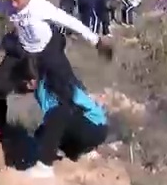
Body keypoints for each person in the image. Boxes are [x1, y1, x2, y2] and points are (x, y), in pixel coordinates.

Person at [0, 0, 113, 138]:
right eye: (10, 0)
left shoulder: (40, 7)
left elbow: (70, 22)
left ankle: (88, 124)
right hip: (24, 51)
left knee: (66, 89)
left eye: (17, 1)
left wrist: (96, 40)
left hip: (48, 51)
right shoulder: (8, 5)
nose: (13, 5)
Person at [20, 48, 109, 178]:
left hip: (94, 126)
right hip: (80, 126)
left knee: (58, 115)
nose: (27, 85)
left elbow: (69, 107)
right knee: (42, 133)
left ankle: (45, 166)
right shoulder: (39, 90)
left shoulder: (53, 81)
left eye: (28, 80)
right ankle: (81, 152)